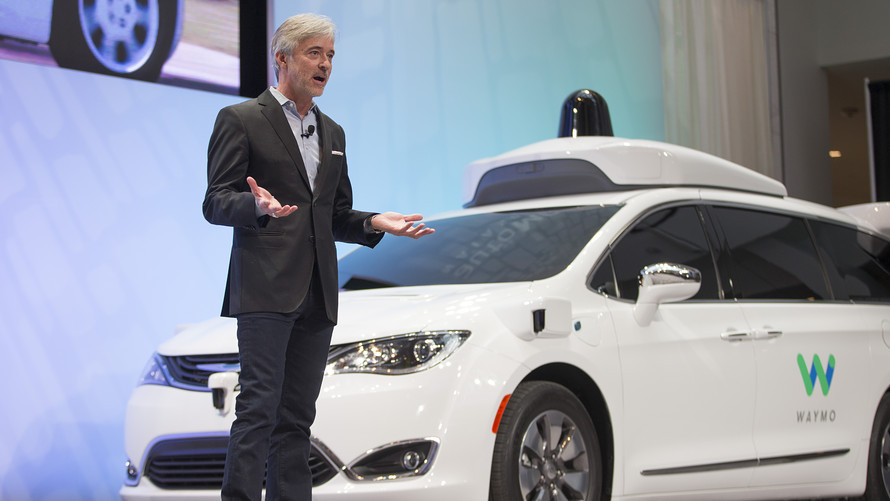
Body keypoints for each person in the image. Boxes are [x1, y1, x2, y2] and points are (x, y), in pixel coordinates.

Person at [202, 13, 434, 501]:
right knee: (258, 410)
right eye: (314, 53)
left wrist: (374, 223)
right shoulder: (240, 119)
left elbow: (332, 215)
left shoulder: (335, 134)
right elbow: (216, 201)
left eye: (330, 55)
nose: (325, 63)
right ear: (282, 57)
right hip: (265, 286)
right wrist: (256, 206)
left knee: (296, 421)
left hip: (318, 293)